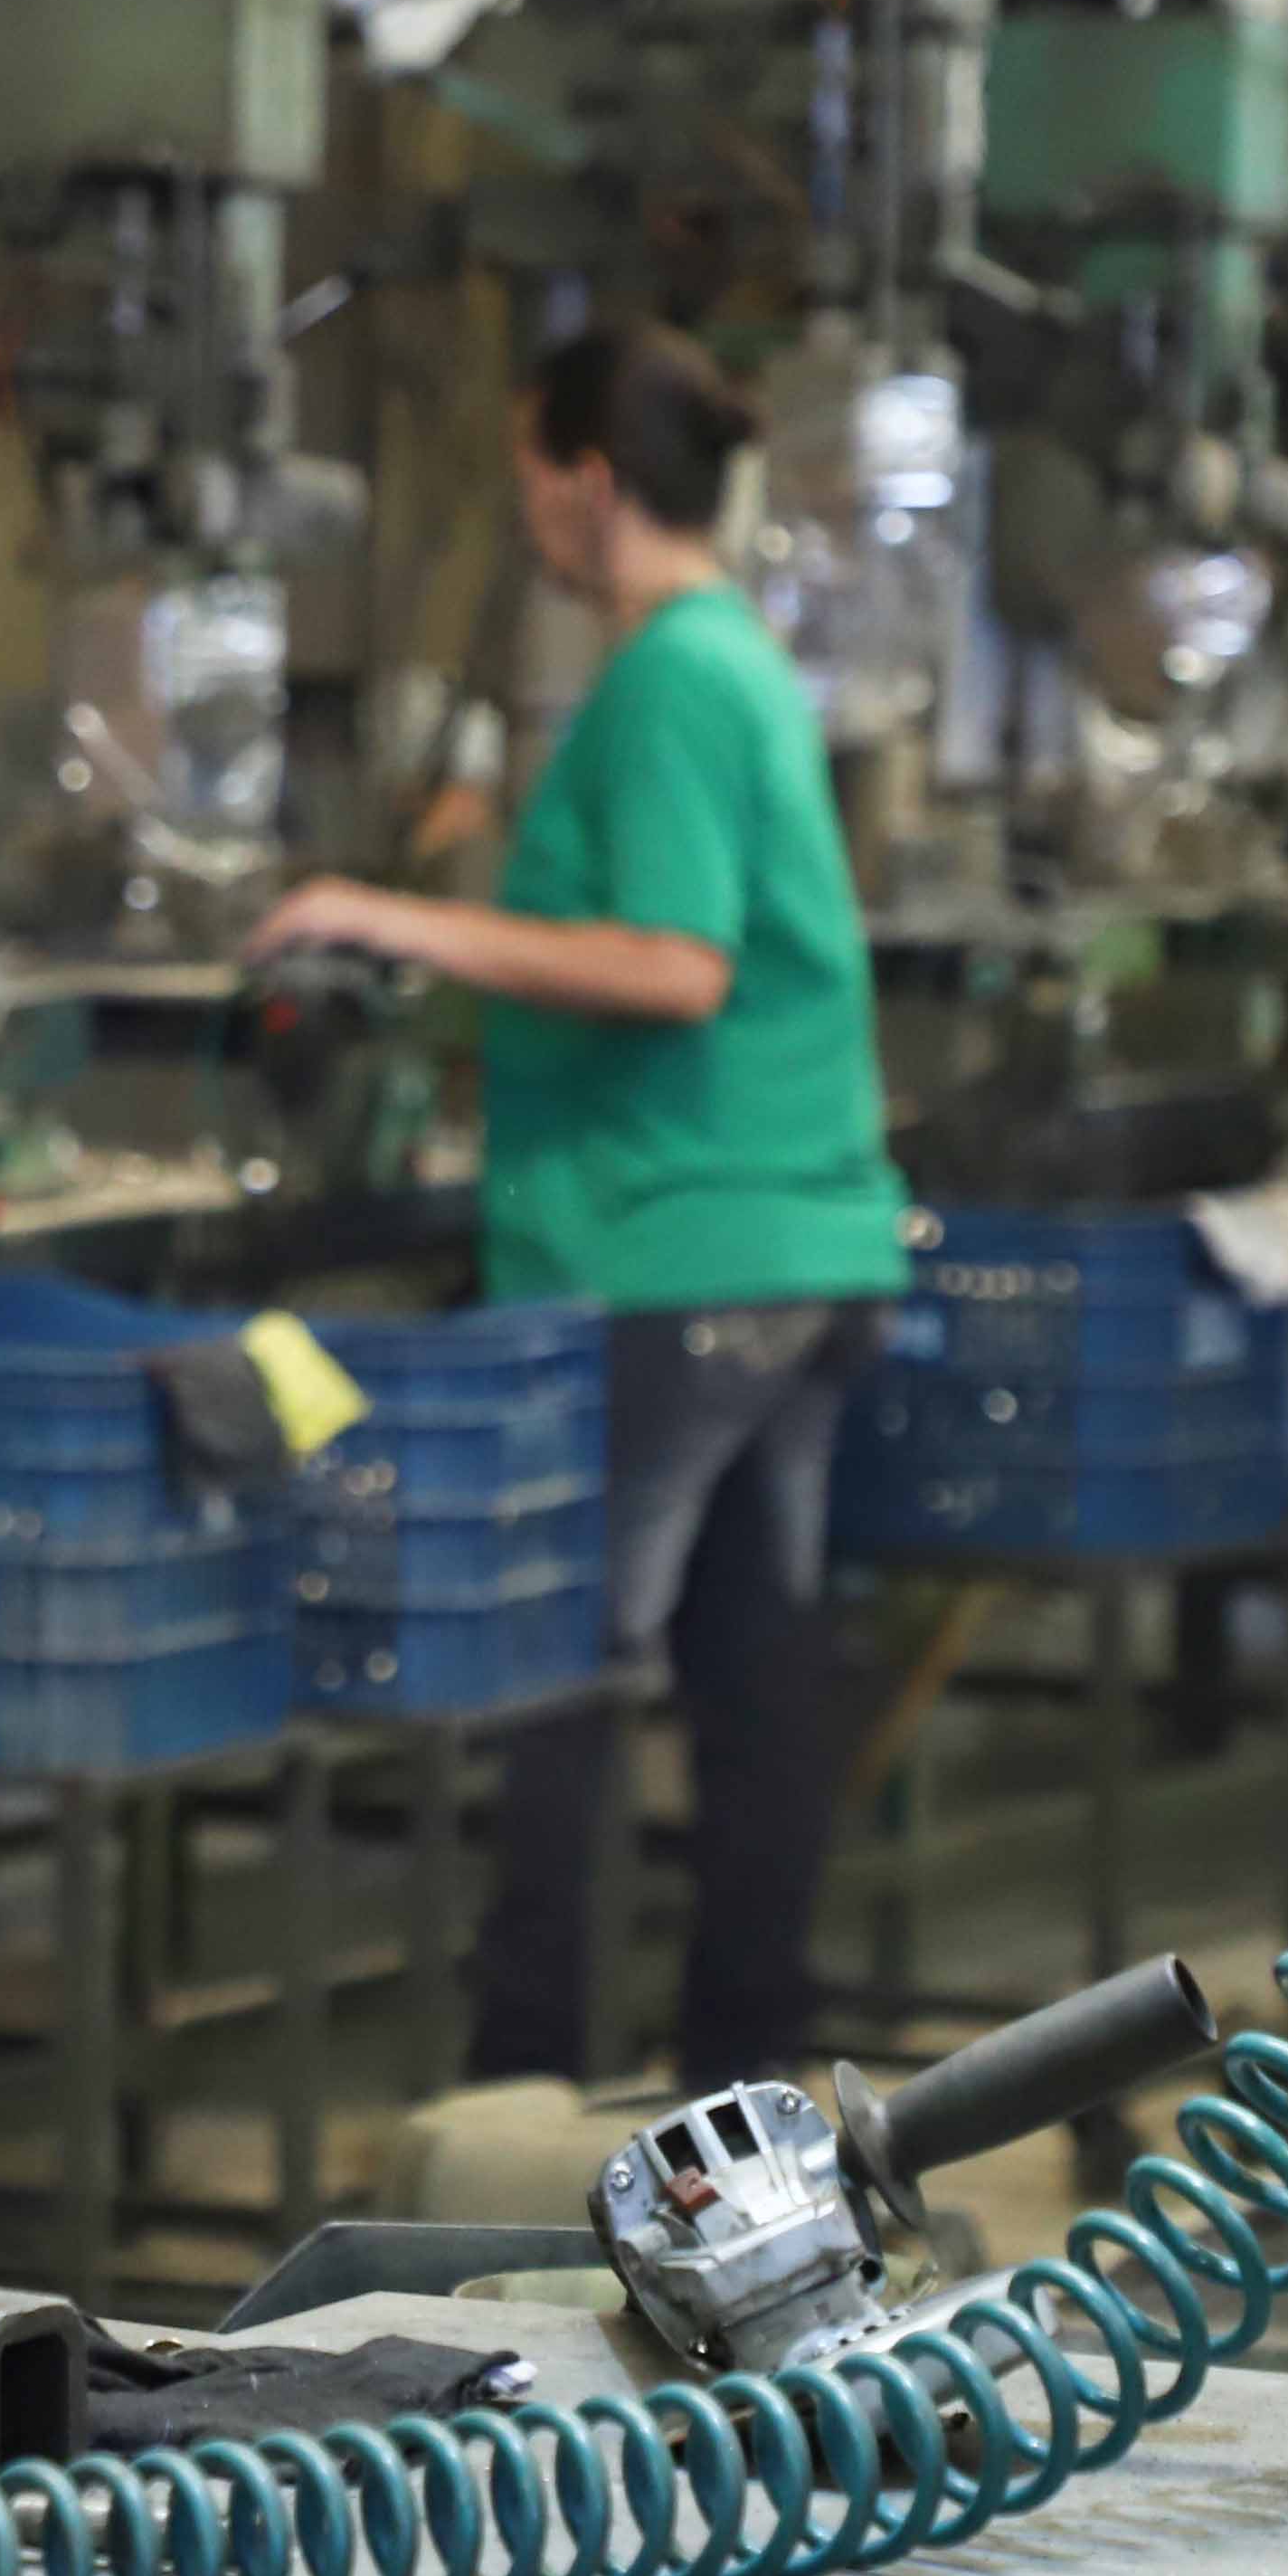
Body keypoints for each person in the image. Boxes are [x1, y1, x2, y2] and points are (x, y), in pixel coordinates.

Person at [252, 324, 913, 2086]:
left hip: (676, 1250)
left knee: (561, 1675)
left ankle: (524, 2078)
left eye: (526, 468)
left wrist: (395, 921)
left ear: (584, 480)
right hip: (793, 1245)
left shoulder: (671, 679)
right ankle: (744, 2073)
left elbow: (671, 964)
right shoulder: (729, 659)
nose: (521, 505)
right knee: (749, 1677)